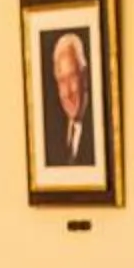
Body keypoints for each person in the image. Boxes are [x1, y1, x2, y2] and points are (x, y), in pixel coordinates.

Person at [42, 28, 95, 169]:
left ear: (84, 77)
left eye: (72, 77)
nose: (67, 92)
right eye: (61, 81)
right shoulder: (52, 133)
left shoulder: (97, 128)